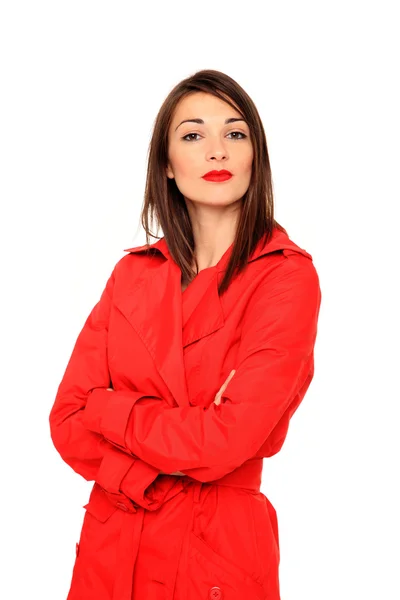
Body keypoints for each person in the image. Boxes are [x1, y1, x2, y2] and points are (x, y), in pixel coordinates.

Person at [49, 68, 322, 600]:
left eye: (235, 133)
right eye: (193, 135)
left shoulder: (286, 277)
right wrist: (150, 469)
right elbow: (65, 421)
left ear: (254, 158)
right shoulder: (133, 275)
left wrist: (109, 409)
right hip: (114, 544)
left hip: (214, 555)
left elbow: (227, 441)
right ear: (167, 166)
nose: (216, 151)